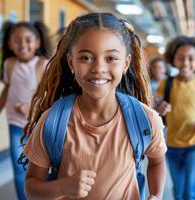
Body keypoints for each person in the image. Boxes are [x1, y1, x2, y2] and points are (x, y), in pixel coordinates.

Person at [20, 13, 167, 199]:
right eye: (85, 58)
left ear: (126, 63)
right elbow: (31, 187)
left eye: (111, 58)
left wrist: (157, 194)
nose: (98, 68)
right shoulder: (53, 121)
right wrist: (62, 187)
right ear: (71, 62)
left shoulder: (144, 119)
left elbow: (157, 162)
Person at [0, 21, 52, 200]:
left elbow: (50, 96)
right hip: (15, 122)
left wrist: (30, 108)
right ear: (9, 44)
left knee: (40, 166)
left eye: (28, 40)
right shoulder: (9, 64)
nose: (23, 44)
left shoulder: (42, 65)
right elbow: (6, 91)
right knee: (18, 167)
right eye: (16, 40)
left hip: (37, 125)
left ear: (37, 42)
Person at [155, 35, 195, 200]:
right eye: (180, 58)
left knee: (190, 192)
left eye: (191, 59)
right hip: (172, 145)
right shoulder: (165, 84)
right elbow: (154, 108)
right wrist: (159, 108)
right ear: (173, 59)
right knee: (178, 192)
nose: (185, 63)